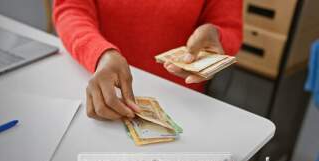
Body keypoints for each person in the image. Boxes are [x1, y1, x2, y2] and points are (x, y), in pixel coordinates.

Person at [53, 1, 242, 120]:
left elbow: (230, 28)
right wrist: (100, 53)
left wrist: (217, 36)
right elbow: (71, 8)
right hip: (97, 85)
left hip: (179, 100)